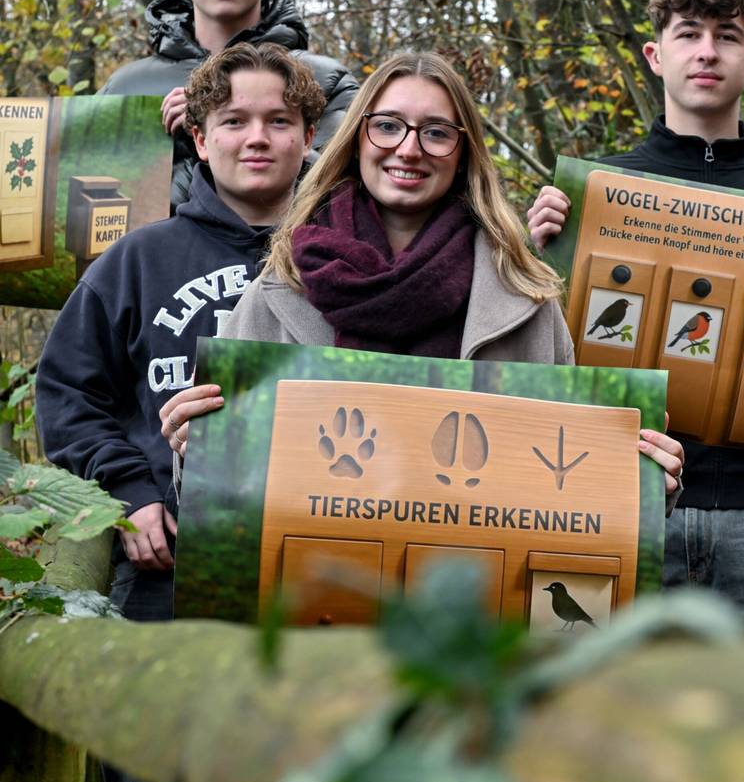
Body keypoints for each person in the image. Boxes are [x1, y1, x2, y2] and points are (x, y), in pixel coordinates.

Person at [159, 52, 685, 504]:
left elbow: (565, 483)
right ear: (358, 138)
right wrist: (193, 449)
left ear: (463, 154)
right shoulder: (277, 290)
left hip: (471, 606)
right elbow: (223, 495)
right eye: (388, 126)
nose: (408, 149)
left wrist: (636, 482)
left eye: (435, 133)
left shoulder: (525, 301)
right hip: (312, 605)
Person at [528, 0, 744, 628]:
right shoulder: (592, 196)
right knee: (602, 718)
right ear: (654, 55)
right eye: (688, 33)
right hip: (612, 496)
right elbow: (534, 350)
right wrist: (530, 254)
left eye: (726, 37)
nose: (706, 51)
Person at [36, 43, 326, 625]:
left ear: (309, 136)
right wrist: (130, 495)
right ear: (199, 140)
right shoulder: (139, 260)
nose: (257, 138)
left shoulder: (347, 259)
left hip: (323, 556)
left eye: (278, 121)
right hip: (171, 561)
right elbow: (67, 392)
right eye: (233, 121)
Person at [99, 0, 359, 209]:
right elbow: (92, 203)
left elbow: (348, 197)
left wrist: (219, 128)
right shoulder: (126, 88)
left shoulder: (326, 82)